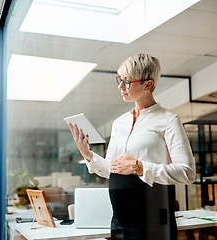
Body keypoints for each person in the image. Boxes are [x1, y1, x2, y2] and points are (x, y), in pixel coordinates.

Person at [68, 54, 195, 240]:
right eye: (119, 80)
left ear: (148, 85)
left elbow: (187, 172)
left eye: (127, 82)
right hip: (120, 221)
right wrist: (87, 154)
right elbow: (112, 169)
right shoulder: (119, 123)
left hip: (153, 221)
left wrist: (139, 167)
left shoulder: (168, 120)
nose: (120, 86)